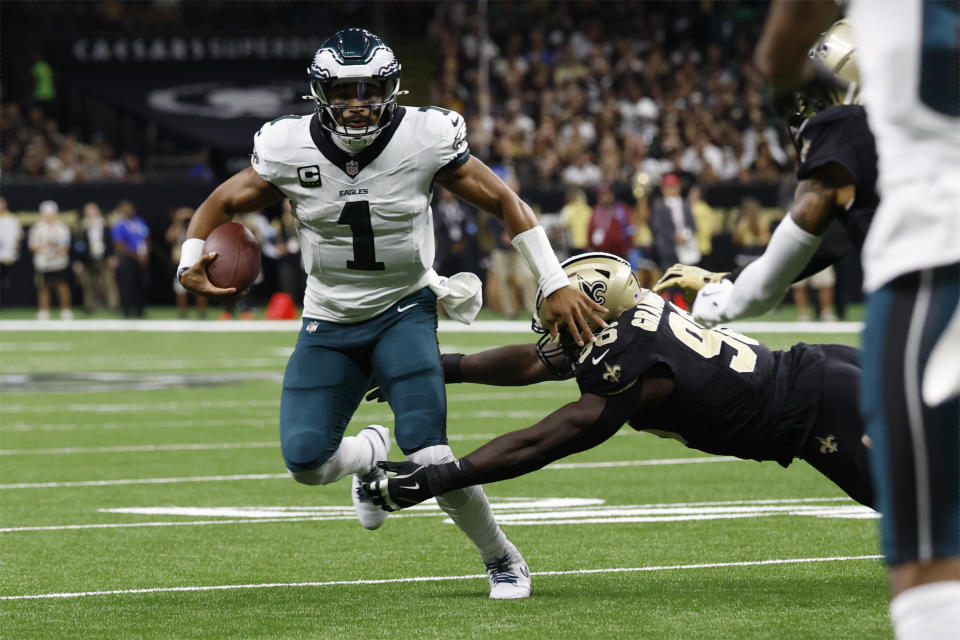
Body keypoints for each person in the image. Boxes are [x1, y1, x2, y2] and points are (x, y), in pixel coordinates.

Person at [175, 28, 605, 600]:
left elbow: (505, 200)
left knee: (429, 450)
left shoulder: (424, 138)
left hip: (405, 308)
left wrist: (553, 281)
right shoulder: (288, 145)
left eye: (370, 88)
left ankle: (500, 556)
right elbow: (224, 201)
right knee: (304, 461)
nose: (357, 102)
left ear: (392, 89)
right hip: (328, 317)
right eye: (344, 89)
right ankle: (372, 454)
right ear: (319, 93)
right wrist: (189, 258)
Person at [361, 253, 874, 518]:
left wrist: (435, 481)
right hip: (823, 373)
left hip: (819, 413)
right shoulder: (637, 315)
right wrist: (443, 367)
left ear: (597, 310)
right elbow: (537, 363)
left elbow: (553, 436)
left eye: (561, 319)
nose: (555, 331)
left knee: (920, 513)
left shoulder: (626, 356)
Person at [757, 5, 960, 637]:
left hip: (934, 277)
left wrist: (778, 70)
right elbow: (834, 243)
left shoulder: (854, 126)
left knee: (925, 547)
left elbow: (813, 231)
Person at [653, 20, 877, 329]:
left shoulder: (856, 134)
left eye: (822, 98)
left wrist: (718, 302)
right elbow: (821, 243)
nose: (811, 111)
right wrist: (730, 280)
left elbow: (766, 288)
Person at [27, 200, 72, 320]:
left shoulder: (62, 227)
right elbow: (32, 246)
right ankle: (44, 311)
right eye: (46, 213)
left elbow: (66, 245)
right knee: (43, 287)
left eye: (51, 213)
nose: (49, 216)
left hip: (59, 262)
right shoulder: (37, 228)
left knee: (62, 286)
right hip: (43, 262)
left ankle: (66, 310)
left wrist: (57, 249)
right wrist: (43, 248)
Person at [72, 202, 119, 315]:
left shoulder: (105, 225)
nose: (91, 214)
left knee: (109, 282)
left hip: (104, 258)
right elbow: (77, 245)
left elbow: (111, 242)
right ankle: (89, 306)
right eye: (89, 211)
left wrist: (112, 256)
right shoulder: (80, 227)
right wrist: (77, 261)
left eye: (94, 211)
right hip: (87, 260)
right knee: (88, 284)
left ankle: (114, 306)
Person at [650, 173, 700, 271]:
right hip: (668, 249)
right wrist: (673, 236)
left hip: (686, 247)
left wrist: (686, 235)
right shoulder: (659, 206)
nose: (671, 190)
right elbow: (658, 227)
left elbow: (692, 224)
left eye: (674, 187)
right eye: (669, 187)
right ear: (663, 189)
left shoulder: (685, 204)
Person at [111, 199, 151, 318]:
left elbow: (147, 238)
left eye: (129, 207)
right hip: (127, 259)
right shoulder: (119, 224)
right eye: (125, 208)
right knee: (127, 285)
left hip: (142, 257)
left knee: (141, 284)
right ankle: (126, 310)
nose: (128, 210)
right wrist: (135, 256)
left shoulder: (139, 221)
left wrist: (146, 255)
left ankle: (140, 309)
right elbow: (119, 244)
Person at [165, 207, 207, 319]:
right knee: (181, 290)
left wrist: (192, 217)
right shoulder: (177, 229)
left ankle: (201, 314)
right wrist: (178, 222)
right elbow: (169, 238)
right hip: (181, 264)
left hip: (195, 263)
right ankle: (183, 314)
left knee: (199, 290)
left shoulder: (196, 229)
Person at [0, 197, 24, 308]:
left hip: (7, 256)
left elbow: (19, 236)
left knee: (5, 282)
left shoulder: (12, 218)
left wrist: (16, 250)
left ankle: (5, 305)